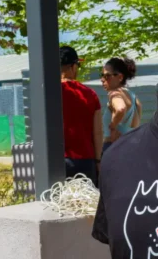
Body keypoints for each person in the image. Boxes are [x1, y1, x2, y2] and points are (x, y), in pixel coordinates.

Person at [59, 46, 102, 184]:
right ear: (73, 66)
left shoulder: (50, 95)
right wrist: (98, 161)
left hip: (57, 162)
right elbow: (98, 133)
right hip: (86, 161)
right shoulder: (90, 94)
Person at [101, 57, 141, 155]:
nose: (102, 80)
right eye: (102, 75)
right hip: (133, 148)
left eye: (107, 76)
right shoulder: (134, 97)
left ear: (120, 77)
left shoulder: (115, 94)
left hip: (114, 148)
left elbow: (120, 108)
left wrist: (113, 128)